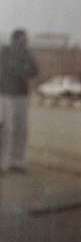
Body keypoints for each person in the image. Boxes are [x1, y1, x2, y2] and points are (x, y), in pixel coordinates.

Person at [0, 29, 38, 174]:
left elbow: (34, 71)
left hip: (21, 95)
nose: (24, 43)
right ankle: (3, 163)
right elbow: (10, 69)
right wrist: (23, 69)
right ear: (13, 40)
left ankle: (18, 161)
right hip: (5, 94)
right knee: (6, 129)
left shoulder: (27, 54)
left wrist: (22, 69)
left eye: (25, 40)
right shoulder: (5, 52)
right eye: (21, 40)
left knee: (22, 128)